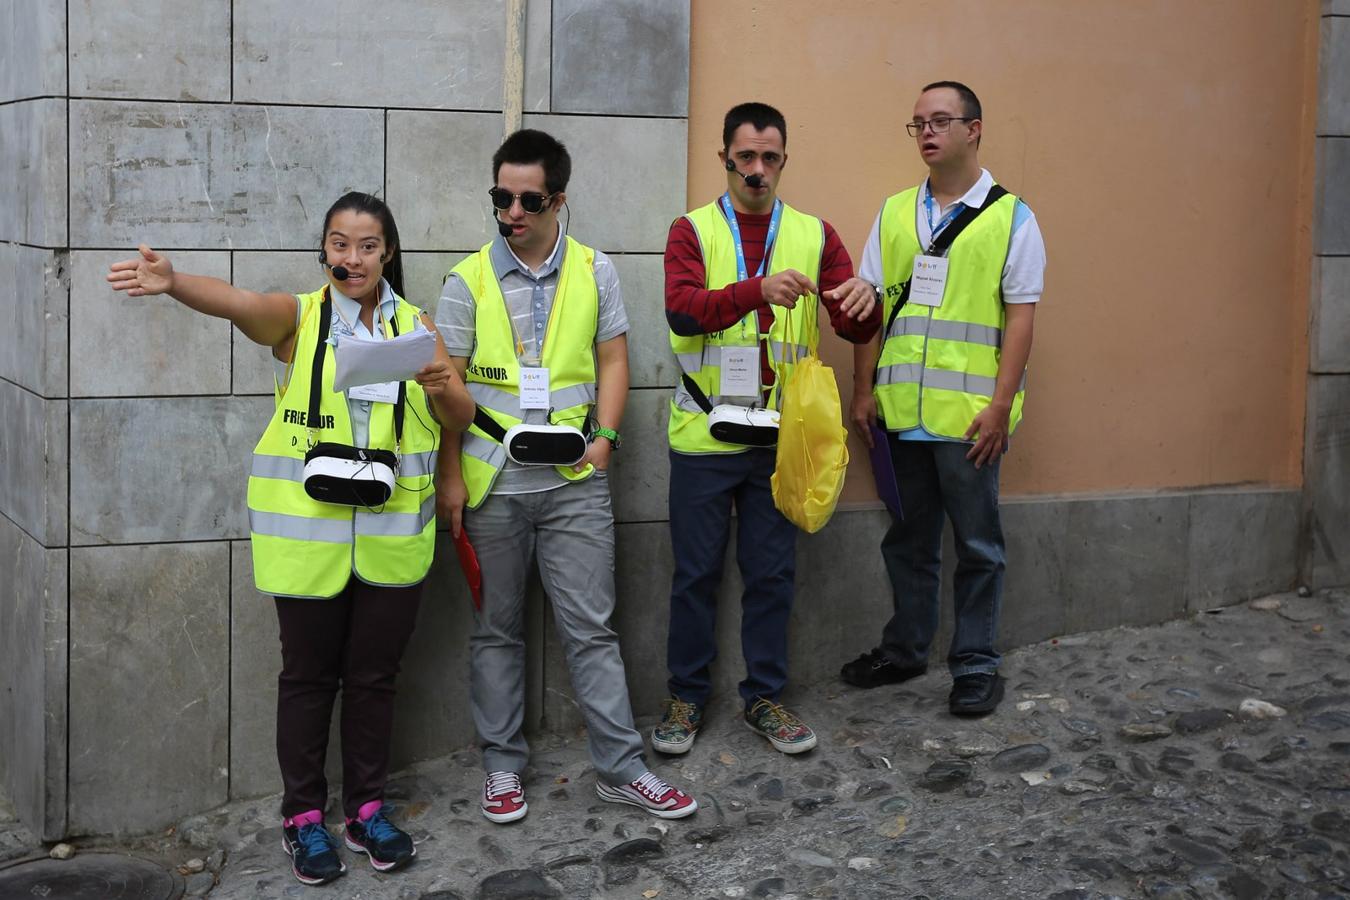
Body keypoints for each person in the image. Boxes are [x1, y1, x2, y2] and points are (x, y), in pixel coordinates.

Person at [107, 192, 474, 886]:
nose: (352, 257)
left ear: (388, 251)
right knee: (307, 680)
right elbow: (241, 303)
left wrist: (438, 384)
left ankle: (367, 809)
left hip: (392, 537)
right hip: (308, 541)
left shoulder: (414, 326)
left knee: (374, 679)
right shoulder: (301, 319)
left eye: (367, 245)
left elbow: (459, 411)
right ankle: (303, 818)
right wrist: (175, 282)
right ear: (325, 250)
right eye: (339, 243)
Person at [434, 129, 697, 823]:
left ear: (558, 199)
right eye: (501, 197)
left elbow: (615, 361)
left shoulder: (594, 270)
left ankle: (620, 765)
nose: (511, 211)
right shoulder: (466, 281)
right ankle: (501, 766)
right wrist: (449, 480)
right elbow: (446, 390)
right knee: (496, 630)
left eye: (528, 199)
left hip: (575, 481)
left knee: (593, 629)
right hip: (492, 483)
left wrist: (605, 441)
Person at [652, 102, 881, 757]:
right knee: (695, 575)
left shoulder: (815, 233)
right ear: (724, 157)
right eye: (745, 157)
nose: (757, 170)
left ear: (784, 160)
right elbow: (682, 311)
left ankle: (765, 699)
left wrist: (864, 307)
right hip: (703, 431)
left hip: (779, 437)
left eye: (770, 158)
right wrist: (757, 290)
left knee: (772, 575)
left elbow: (852, 323)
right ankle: (686, 699)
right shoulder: (691, 230)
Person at [841, 81, 1046, 716]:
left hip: (969, 423)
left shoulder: (1013, 217)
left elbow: (1019, 318)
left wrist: (1000, 407)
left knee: (978, 546)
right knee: (907, 541)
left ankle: (977, 664)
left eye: (939, 121)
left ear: (974, 128)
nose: (926, 133)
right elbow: (868, 305)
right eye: (917, 124)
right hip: (900, 416)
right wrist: (863, 388)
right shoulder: (896, 210)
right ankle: (905, 650)